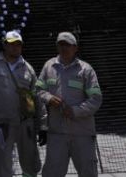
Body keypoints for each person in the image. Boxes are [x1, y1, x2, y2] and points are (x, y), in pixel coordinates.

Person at [0, 30, 42, 177]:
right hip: (1, 123)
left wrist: (43, 125)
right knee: (3, 165)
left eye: (18, 45)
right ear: (4, 45)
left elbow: (37, 97)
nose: (15, 48)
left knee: (30, 164)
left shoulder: (28, 68)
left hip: (25, 123)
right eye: (11, 44)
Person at [35, 32, 101, 177]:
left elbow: (96, 99)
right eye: (61, 44)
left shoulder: (86, 69)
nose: (64, 48)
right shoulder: (49, 66)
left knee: (88, 172)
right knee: (52, 173)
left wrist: (76, 111)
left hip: (82, 133)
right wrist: (48, 97)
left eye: (68, 45)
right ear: (57, 46)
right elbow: (38, 89)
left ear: (75, 48)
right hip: (57, 133)